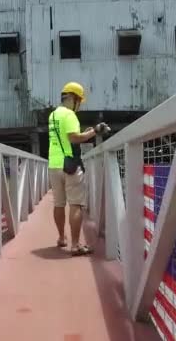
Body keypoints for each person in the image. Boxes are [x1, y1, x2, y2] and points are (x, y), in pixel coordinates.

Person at [48, 82, 110, 256]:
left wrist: (86, 132)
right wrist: (94, 132)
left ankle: (62, 238)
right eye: (79, 101)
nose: (80, 105)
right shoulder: (70, 115)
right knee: (75, 204)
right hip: (70, 166)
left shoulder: (53, 115)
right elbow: (74, 138)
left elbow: (63, 137)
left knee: (59, 204)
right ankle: (75, 245)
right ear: (73, 98)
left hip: (54, 164)